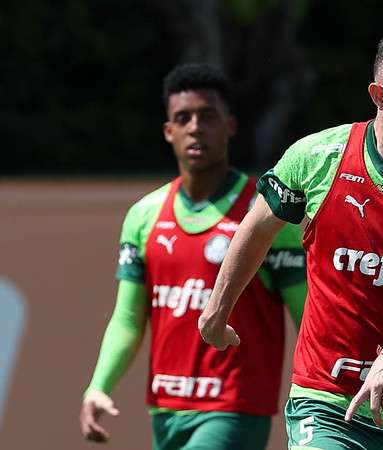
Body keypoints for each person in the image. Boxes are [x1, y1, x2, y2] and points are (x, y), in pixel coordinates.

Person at [199, 23, 383, 450]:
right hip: (328, 405)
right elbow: (256, 228)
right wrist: (217, 309)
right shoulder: (318, 157)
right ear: (379, 96)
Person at [79, 63, 307, 450]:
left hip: (235, 407)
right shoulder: (144, 214)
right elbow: (130, 317)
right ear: (169, 131)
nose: (195, 127)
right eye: (183, 118)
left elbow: (307, 312)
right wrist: (98, 386)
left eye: (208, 116)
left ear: (230, 126)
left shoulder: (265, 213)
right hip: (165, 408)